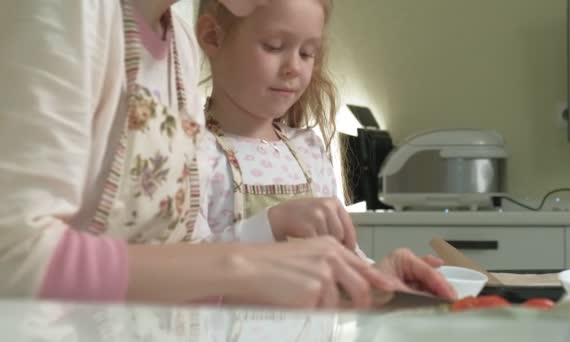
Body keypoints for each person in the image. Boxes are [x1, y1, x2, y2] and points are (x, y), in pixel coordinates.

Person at [0, 0, 453, 309]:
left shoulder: (174, 28)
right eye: (274, 47)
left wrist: (360, 284)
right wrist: (244, 263)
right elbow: (13, 259)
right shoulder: (66, 11)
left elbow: (183, 265)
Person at [195, 0, 456, 301]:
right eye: (274, 46)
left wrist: (381, 276)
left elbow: (345, 258)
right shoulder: (191, 152)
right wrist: (272, 224)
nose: (294, 67)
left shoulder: (308, 150)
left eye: (307, 53)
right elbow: (179, 275)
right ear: (212, 37)